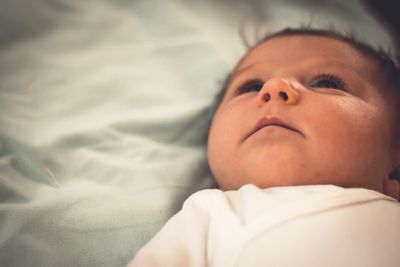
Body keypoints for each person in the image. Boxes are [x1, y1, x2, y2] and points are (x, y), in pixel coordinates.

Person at [128, 28, 400, 266]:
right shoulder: (210, 215)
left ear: (395, 155)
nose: (273, 87)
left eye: (326, 83)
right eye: (250, 86)